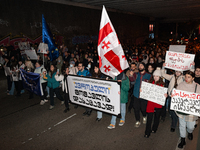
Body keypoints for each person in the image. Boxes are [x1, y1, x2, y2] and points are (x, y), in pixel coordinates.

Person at [161, 62, 195, 132]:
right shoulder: (172, 77)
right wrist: (163, 67)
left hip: (178, 98)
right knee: (170, 110)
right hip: (171, 96)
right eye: (176, 71)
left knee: (174, 111)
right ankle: (175, 119)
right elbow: (163, 74)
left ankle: (173, 125)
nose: (177, 73)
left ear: (181, 73)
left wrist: (192, 66)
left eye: (179, 72)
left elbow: (191, 74)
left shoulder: (183, 78)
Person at [174, 71, 200, 148]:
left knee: (191, 126)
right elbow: (177, 94)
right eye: (185, 77)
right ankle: (182, 139)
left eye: (189, 77)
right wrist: (174, 95)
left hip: (191, 111)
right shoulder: (181, 84)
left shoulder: (197, 86)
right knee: (182, 125)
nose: (186, 78)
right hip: (182, 109)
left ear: (193, 78)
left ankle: (190, 132)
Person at [144, 69, 167, 138]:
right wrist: (142, 90)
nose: (155, 77)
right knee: (149, 118)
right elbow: (146, 92)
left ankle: (154, 128)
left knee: (157, 117)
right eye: (154, 76)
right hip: (150, 103)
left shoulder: (162, 85)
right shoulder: (150, 83)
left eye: (157, 76)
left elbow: (165, 94)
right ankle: (147, 132)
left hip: (158, 104)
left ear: (160, 77)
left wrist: (166, 95)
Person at [131, 62, 151, 128]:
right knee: (136, 108)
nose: (140, 66)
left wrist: (145, 90)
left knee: (143, 108)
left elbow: (151, 86)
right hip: (136, 94)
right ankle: (137, 120)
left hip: (144, 96)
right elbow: (132, 81)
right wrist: (131, 76)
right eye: (139, 66)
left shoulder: (148, 75)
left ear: (144, 67)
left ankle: (144, 116)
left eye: (141, 65)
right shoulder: (136, 74)